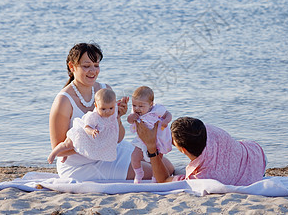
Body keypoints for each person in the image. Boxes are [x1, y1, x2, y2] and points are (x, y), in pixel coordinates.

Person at [49, 42, 174, 182]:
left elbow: (118, 138)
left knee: (168, 167)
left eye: (96, 65)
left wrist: (118, 117)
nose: (93, 71)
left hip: (110, 151)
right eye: (86, 66)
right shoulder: (63, 101)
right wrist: (96, 144)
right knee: (155, 173)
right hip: (81, 165)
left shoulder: (104, 89)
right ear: (72, 67)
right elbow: (59, 149)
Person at [135, 116, 267, 186]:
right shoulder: (206, 129)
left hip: (255, 172)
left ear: (183, 150)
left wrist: (152, 148)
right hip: (257, 153)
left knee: (175, 172)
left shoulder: (201, 177)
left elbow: (163, 180)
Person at [48, 88, 119, 164]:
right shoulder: (94, 117)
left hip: (94, 140)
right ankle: (54, 153)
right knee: (68, 145)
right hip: (83, 135)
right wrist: (92, 131)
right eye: (103, 109)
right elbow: (86, 127)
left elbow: (118, 107)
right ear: (96, 105)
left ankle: (65, 155)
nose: (107, 112)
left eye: (111, 108)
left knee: (80, 149)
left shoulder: (113, 111)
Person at [127, 86, 172, 183]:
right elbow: (129, 121)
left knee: (156, 161)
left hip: (157, 140)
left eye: (141, 106)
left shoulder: (156, 110)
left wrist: (166, 121)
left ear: (151, 104)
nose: (137, 108)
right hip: (141, 140)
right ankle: (139, 173)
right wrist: (132, 117)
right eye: (134, 105)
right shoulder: (135, 113)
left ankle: (155, 177)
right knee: (134, 157)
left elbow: (168, 114)